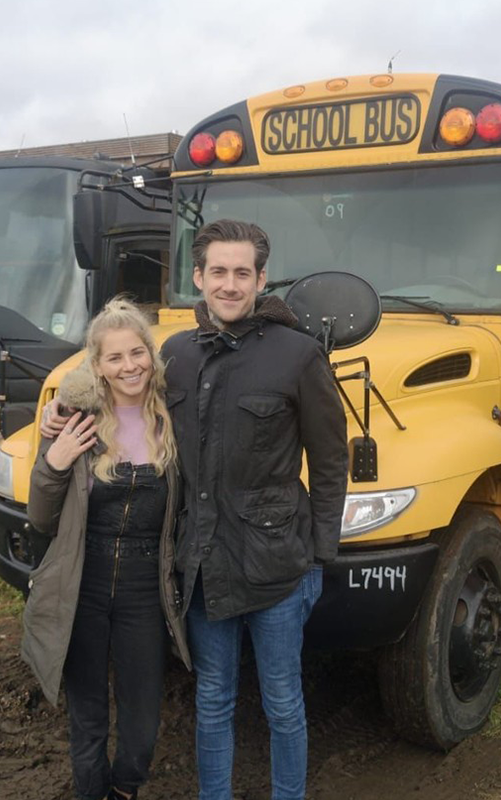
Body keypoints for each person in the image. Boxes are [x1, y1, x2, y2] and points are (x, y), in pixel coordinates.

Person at [163, 219, 348, 800]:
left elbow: (329, 460)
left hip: (278, 567)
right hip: (204, 562)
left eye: (242, 272)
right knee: (213, 698)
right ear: (199, 277)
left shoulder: (298, 355)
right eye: (218, 271)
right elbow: (132, 421)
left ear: (261, 279)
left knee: (283, 702)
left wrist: (318, 556)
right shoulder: (175, 354)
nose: (230, 283)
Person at [23, 297, 189, 800]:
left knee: (141, 721)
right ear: (97, 365)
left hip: (146, 587)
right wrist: (53, 463)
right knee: (87, 714)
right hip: (84, 581)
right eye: (115, 357)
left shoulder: (173, 418)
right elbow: (40, 517)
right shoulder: (77, 421)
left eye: (137, 353)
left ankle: (126, 787)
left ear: (151, 356)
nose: (129, 366)